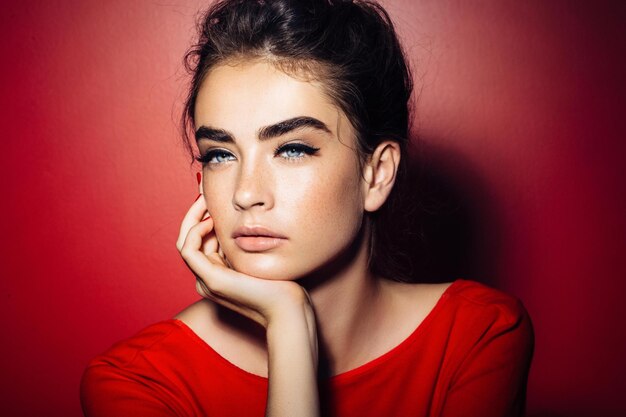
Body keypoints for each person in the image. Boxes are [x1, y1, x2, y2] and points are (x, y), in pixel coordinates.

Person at [80, 0, 534, 416]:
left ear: (375, 174)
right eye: (220, 154)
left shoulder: (477, 335)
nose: (245, 194)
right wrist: (289, 326)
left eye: (292, 148)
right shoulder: (139, 381)